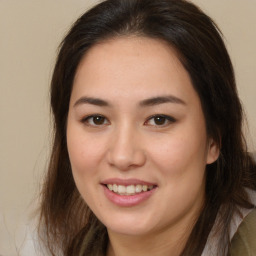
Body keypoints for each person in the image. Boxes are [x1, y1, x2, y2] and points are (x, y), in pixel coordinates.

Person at [38, 0, 256, 255]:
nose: (122, 156)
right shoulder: (47, 243)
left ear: (214, 139)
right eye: (97, 119)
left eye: (159, 119)